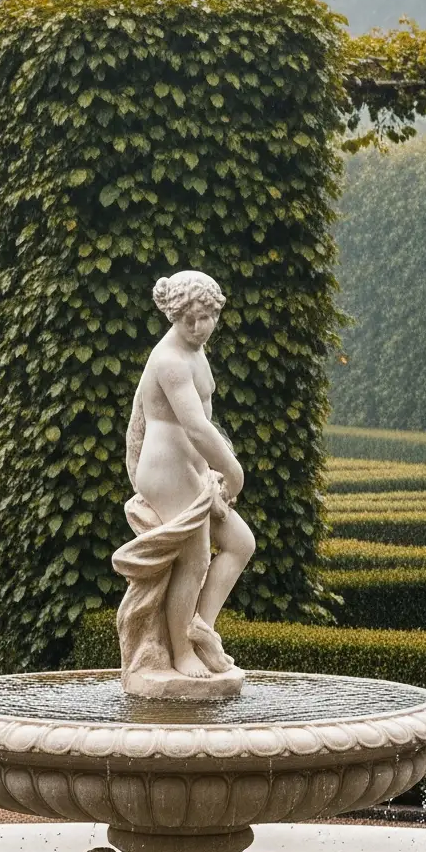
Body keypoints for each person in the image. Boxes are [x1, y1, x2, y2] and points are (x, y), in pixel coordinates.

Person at [114, 269, 254, 692]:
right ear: (174, 317)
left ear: (216, 312)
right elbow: (195, 427)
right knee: (194, 560)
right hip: (166, 470)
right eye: (188, 320)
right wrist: (233, 470)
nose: (197, 327)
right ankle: (180, 652)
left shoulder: (195, 350)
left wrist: (211, 469)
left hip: (190, 469)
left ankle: (200, 628)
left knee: (241, 543)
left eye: (204, 318)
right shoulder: (171, 360)